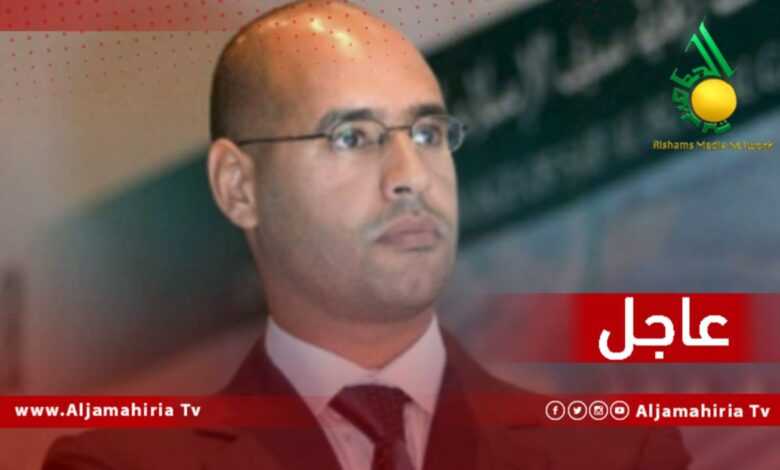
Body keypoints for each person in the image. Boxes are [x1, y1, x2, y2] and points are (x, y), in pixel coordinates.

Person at [42, 1, 690, 469]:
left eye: (428, 133)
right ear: (238, 186)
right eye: (352, 138)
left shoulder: (621, 457)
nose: (411, 177)